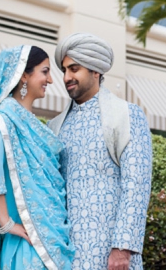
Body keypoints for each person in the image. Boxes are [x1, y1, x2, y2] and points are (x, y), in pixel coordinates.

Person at [48, 33, 153, 270]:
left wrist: (122, 249)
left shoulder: (126, 115)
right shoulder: (55, 126)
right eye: (64, 70)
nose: (67, 77)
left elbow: (136, 184)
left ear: (96, 70)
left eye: (74, 69)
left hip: (110, 254)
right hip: (65, 253)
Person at [0, 45, 74, 270]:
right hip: (28, 240)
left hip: (49, 232)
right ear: (24, 75)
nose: (51, 80)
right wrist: (6, 223)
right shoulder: (6, 113)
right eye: (44, 71)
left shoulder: (31, 123)